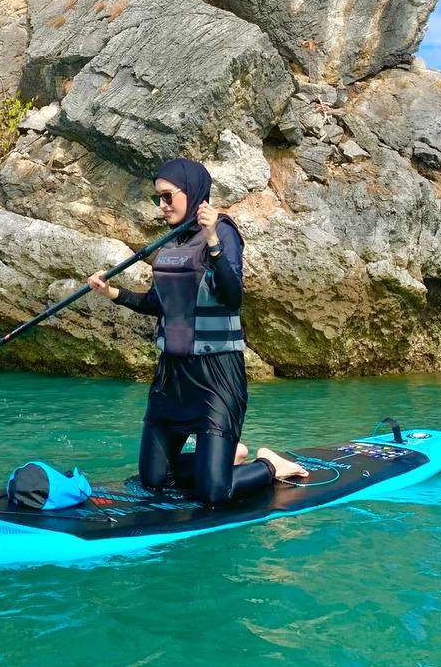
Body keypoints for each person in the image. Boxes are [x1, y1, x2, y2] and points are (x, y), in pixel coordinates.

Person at [87, 157, 308, 507]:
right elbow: (158, 304)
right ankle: (226, 456)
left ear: (192, 193)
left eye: (168, 196)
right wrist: (112, 293)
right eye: (157, 198)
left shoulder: (223, 232)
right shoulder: (171, 243)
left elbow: (232, 297)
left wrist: (213, 240)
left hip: (215, 377)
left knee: (214, 494)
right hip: (171, 378)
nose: (162, 205)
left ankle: (269, 465)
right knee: (154, 481)